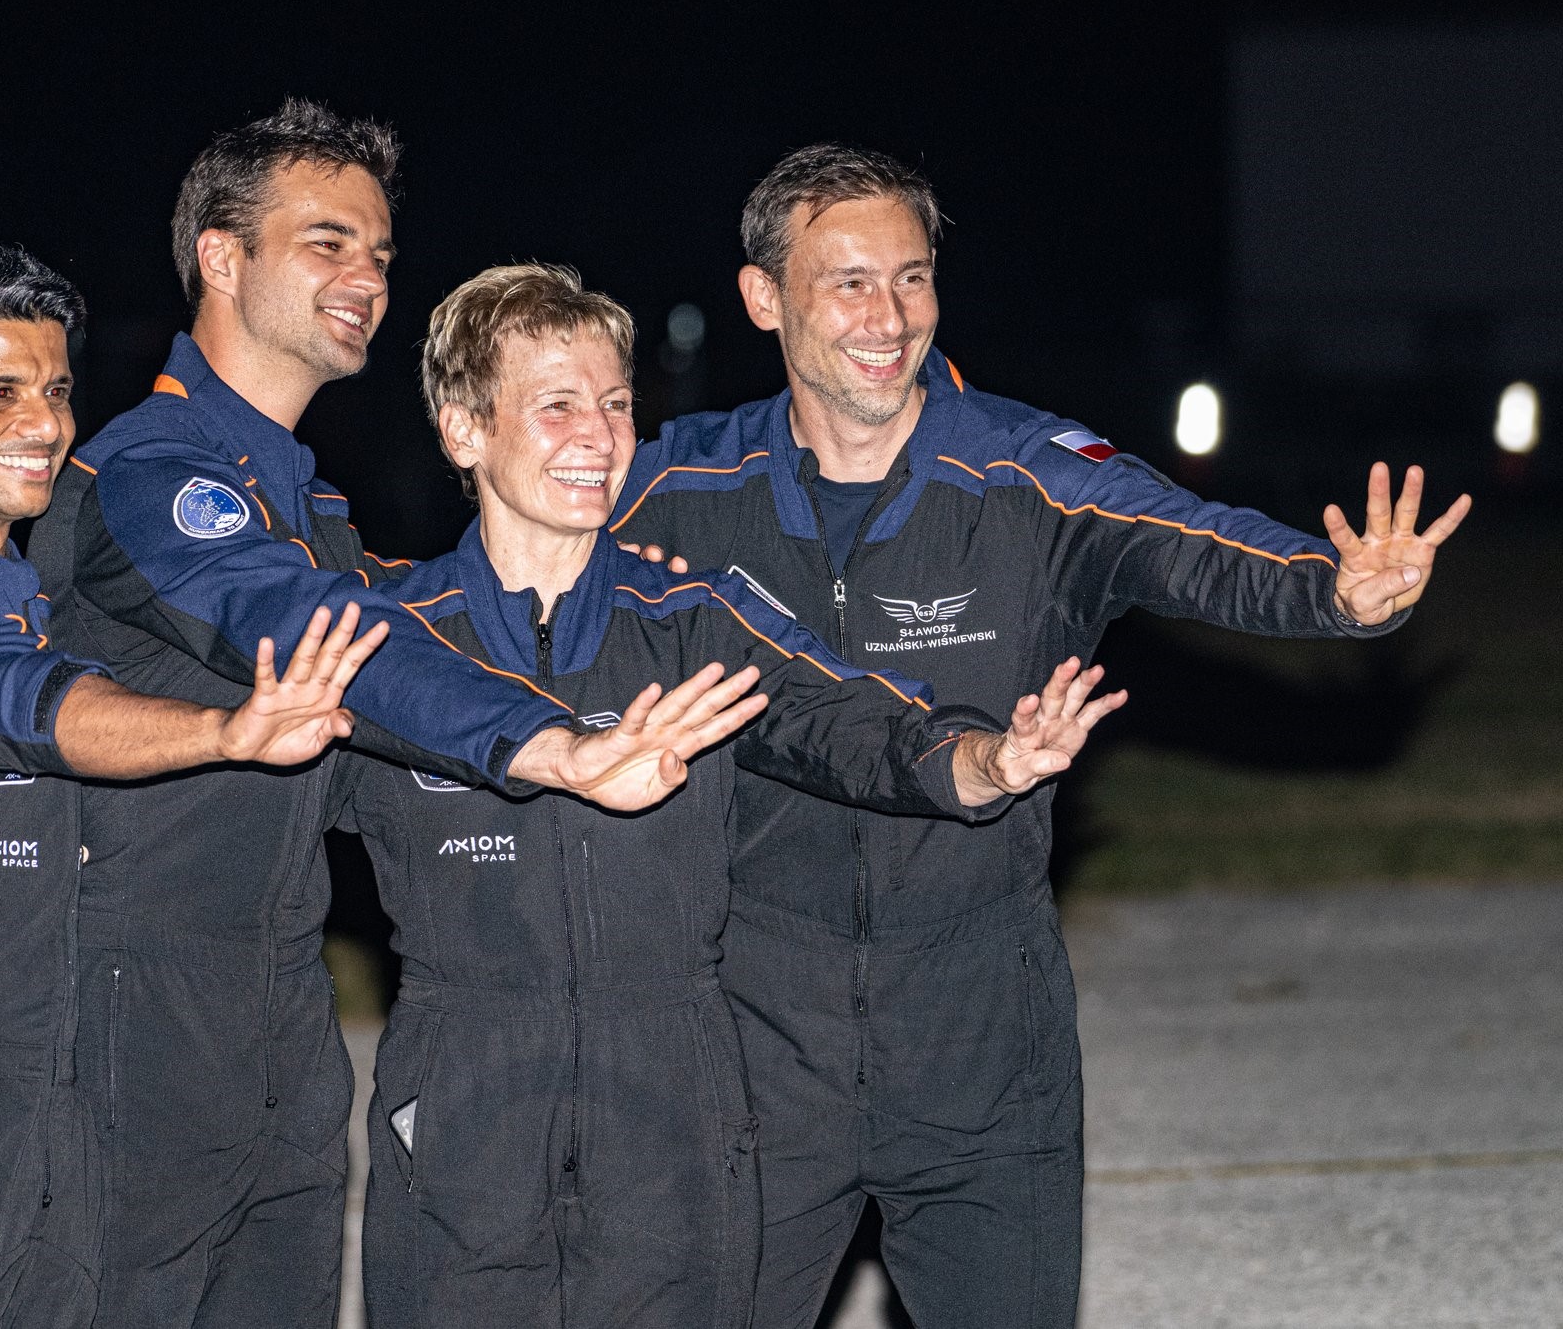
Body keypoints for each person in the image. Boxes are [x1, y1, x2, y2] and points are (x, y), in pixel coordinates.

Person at [607, 144, 1472, 1328]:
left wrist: (1332, 589)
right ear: (763, 298)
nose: (888, 317)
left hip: (980, 1023)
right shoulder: (675, 488)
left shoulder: (1024, 473)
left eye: (911, 278)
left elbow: (1190, 540)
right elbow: (503, 567)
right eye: (848, 283)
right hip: (752, 1023)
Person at [27, 101, 759, 1327]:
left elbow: (406, 631)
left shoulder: (308, 506)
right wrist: (551, 744)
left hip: (279, 1001)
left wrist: (602, 583)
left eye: (376, 251)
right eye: (325, 243)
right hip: (133, 999)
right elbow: (331, 638)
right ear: (220, 257)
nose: (365, 277)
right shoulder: (152, 475)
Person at [330, 264, 1125, 1328]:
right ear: (464, 430)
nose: (597, 435)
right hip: (462, 1099)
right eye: (556, 405)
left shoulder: (693, 622)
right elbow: (247, 818)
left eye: (616, 403)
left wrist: (985, 762)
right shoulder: (386, 641)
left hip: (672, 1109)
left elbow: (848, 720)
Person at [0, 233, 395, 1329]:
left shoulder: (39, 606)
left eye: (53, 390)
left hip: (59, 1121)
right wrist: (222, 731)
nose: (43, 424)